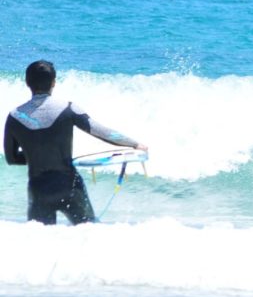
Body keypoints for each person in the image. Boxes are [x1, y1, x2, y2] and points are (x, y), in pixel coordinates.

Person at [4, 60, 148, 225]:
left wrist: (37, 155)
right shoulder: (68, 108)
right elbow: (101, 131)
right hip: (69, 186)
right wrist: (134, 144)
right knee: (90, 234)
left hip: (39, 190)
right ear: (54, 82)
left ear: (27, 82)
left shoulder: (14, 116)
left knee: (41, 244)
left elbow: (12, 158)